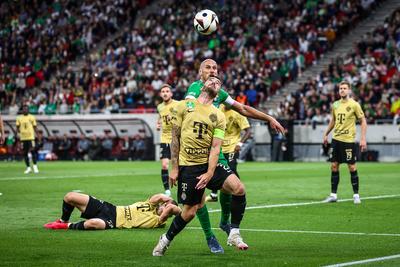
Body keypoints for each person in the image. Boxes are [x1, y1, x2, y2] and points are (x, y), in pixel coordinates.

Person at [185, 58, 285, 253]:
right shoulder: (194, 89)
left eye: (215, 67)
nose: (213, 70)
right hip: (193, 153)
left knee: (235, 187)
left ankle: (228, 225)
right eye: (208, 67)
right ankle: (210, 237)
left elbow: (243, 109)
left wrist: (268, 117)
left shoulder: (221, 93)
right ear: (200, 73)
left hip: (216, 150)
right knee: (196, 202)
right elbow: (189, 105)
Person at [152, 75, 248, 257]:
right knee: (189, 212)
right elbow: (175, 138)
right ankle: (166, 239)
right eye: (211, 79)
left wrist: (211, 172)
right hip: (189, 166)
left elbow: (215, 147)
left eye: (218, 82)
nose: (214, 82)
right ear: (202, 85)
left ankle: (233, 232)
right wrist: (174, 168)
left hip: (210, 164)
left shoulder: (219, 115)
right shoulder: (183, 106)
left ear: (219, 91)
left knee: (239, 188)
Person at [322, 81, 367, 204]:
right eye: (340, 88)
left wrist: (363, 138)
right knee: (334, 166)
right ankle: (333, 195)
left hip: (348, 141)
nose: (342, 90)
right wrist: (326, 133)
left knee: (351, 166)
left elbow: (363, 121)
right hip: (336, 140)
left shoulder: (354, 105)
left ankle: (356, 195)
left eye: (344, 88)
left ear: (349, 90)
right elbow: (333, 121)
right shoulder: (335, 105)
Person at [44, 192, 181, 230]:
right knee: (70, 196)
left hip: (112, 222)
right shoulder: (150, 204)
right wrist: (167, 198)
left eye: (165, 205)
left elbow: (173, 209)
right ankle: (63, 220)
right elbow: (159, 196)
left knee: (93, 224)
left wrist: (173, 206)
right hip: (110, 208)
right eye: (164, 203)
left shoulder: (158, 221)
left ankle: (65, 226)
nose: (163, 205)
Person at [206, 104, 251, 202]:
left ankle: (239, 193)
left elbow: (248, 131)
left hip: (232, 147)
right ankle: (214, 195)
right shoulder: (218, 109)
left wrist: (240, 143)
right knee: (216, 168)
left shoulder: (238, 113)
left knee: (231, 169)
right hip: (219, 146)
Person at [156, 84, 179, 196]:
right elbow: (160, 117)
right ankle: (167, 190)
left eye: (167, 91)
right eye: (163, 91)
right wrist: (158, 123)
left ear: (171, 94)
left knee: (179, 164)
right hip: (165, 138)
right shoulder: (160, 107)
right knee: (165, 165)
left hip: (176, 139)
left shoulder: (178, 104)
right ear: (161, 94)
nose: (165, 93)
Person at [16, 105, 39, 174]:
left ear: (28, 110)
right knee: (25, 153)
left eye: (26, 109)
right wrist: (18, 134)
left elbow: (35, 127)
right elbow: (17, 127)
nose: (25, 110)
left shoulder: (32, 117)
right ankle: (28, 168)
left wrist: (38, 135)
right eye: (24, 109)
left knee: (33, 151)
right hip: (23, 138)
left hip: (30, 137)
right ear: (22, 110)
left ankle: (35, 167)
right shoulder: (19, 118)